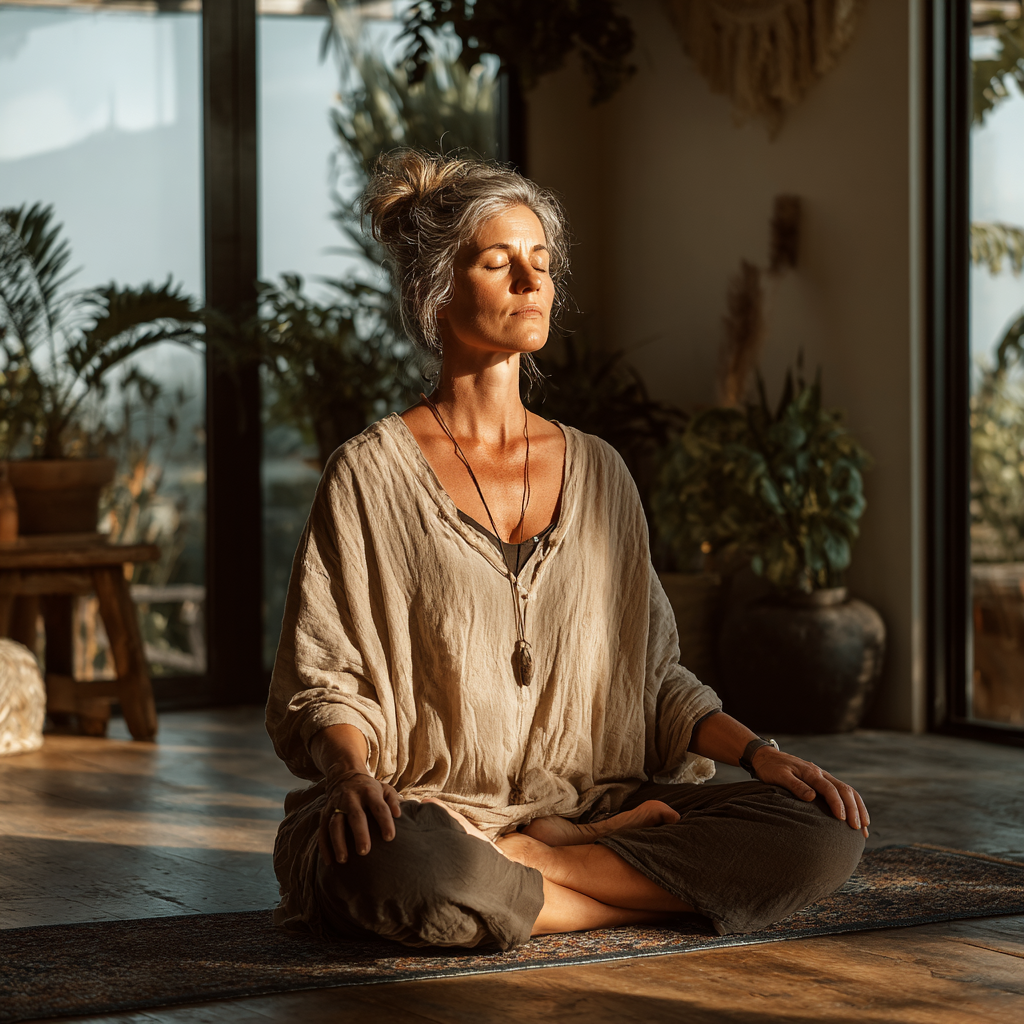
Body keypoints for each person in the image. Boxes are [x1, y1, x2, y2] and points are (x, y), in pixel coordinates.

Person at [266, 151, 868, 951]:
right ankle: (598, 883)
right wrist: (350, 779)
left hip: (596, 805)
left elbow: (654, 678)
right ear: (437, 293)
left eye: (541, 264)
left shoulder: (600, 473)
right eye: (500, 263)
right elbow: (327, 680)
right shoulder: (368, 475)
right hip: (436, 814)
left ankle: (531, 873)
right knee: (392, 864)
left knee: (820, 831)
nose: (532, 283)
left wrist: (759, 756)